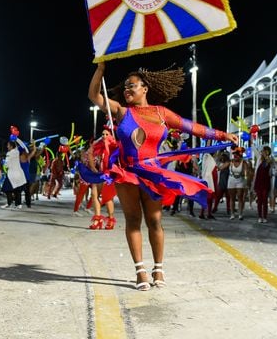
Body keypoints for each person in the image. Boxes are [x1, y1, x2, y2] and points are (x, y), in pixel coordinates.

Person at [88, 61, 237, 291]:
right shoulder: (120, 111)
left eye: (132, 86)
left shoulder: (161, 113)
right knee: (133, 220)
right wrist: (100, 70)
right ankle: (140, 271)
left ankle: (158, 268)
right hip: (127, 172)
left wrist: (222, 134)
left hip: (153, 173)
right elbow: (94, 95)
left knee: (155, 221)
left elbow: (192, 127)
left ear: (145, 88)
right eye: (125, 87)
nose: (127, 90)